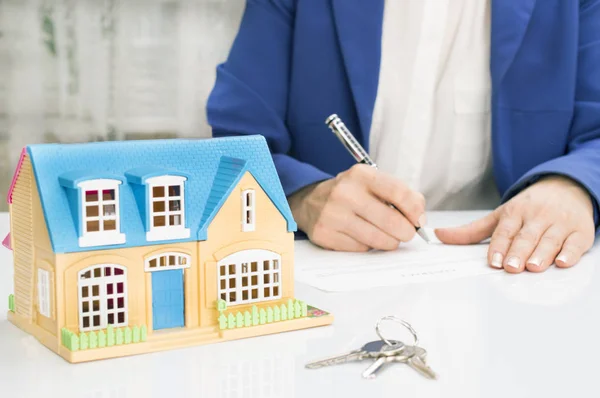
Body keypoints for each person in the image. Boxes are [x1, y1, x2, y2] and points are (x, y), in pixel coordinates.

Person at [206, 0, 600, 274]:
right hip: (337, 280)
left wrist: (573, 186)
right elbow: (234, 144)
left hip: (510, 283)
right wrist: (303, 198)